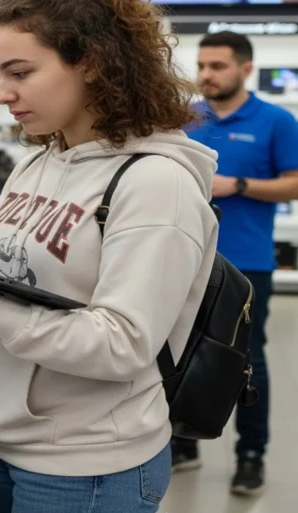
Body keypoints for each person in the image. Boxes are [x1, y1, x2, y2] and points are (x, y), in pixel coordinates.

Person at [0, 0, 220, 511]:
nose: (1, 94)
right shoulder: (38, 160)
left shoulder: (156, 183)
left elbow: (122, 345)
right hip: (7, 444)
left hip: (88, 466)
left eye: (20, 73)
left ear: (93, 62)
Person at [173, 31, 298, 496]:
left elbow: (294, 184)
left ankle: (250, 455)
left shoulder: (276, 121)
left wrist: (237, 185)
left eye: (217, 66)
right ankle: (181, 441)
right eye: (202, 65)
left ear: (245, 69)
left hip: (247, 266)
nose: (206, 75)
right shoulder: (184, 118)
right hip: (183, 259)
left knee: (247, 361)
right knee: (174, 355)